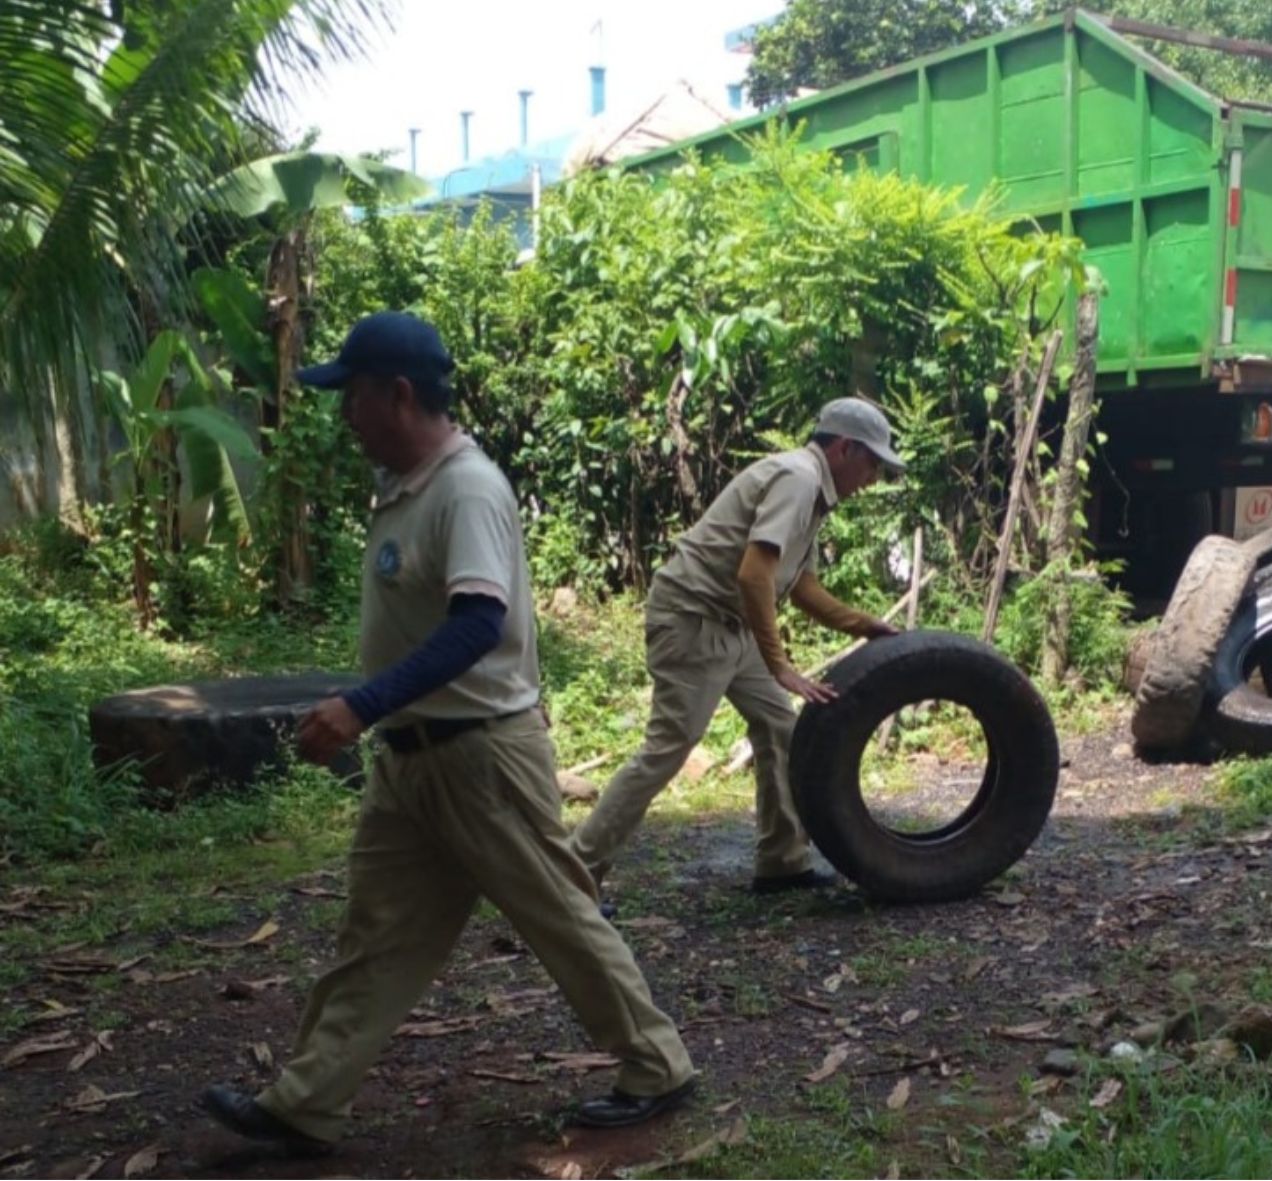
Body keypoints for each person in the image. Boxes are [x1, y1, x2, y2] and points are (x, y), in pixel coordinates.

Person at [201, 312, 696, 1155]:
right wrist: (378, 712)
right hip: (410, 760)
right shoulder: (409, 486)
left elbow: (476, 623)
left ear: (398, 394)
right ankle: (304, 1103)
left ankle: (659, 1067)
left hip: (480, 757)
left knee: (560, 915)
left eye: (352, 396)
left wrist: (360, 704)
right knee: (376, 931)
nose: (344, 413)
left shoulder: (467, 488)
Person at [571, 397, 903, 895]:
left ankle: (782, 861)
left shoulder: (812, 493)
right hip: (693, 619)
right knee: (668, 748)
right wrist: (780, 665)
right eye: (872, 463)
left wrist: (862, 625)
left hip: (731, 626)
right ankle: (572, 876)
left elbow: (802, 587)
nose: (873, 477)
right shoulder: (799, 479)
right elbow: (754, 576)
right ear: (844, 447)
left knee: (780, 728)